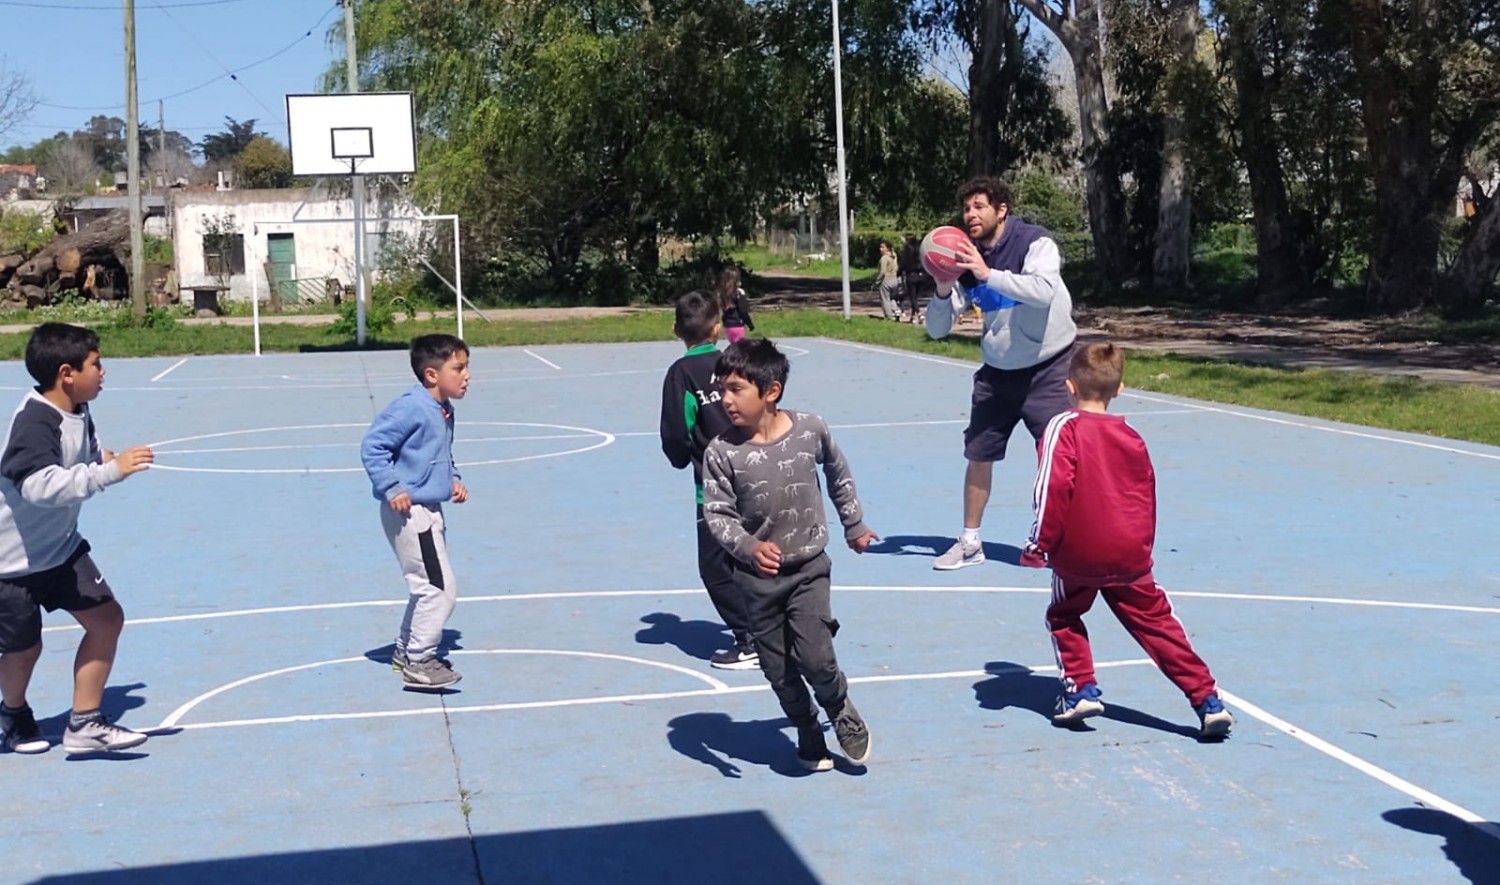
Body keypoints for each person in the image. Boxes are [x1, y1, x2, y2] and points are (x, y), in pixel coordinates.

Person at [1022, 343, 1234, 739]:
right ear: (1119, 390)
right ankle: (1207, 699)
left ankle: (1080, 689)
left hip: (1080, 550)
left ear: (1069, 386)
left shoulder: (1061, 428)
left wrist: (1040, 543)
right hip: (1130, 551)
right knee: (1157, 624)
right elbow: (1145, 492)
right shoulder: (1131, 434)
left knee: (1064, 615)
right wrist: (1141, 548)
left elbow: (1053, 487)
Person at [702, 338, 879, 771]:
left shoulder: (809, 430)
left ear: (771, 391)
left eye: (736, 389)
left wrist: (853, 523)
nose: (725, 399)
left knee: (816, 656)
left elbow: (838, 472)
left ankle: (839, 708)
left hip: (808, 569)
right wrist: (748, 546)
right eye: (722, 388)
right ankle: (806, 726)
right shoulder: (721, 452)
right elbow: (718, 514)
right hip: (756, 581)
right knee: (778, 671)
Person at [0, 323, 154, 755]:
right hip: (11, 562)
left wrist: (102, 460)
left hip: (61, 549)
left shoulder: (79, 410)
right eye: (96, 364)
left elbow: (83, 456)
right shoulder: (35, 420)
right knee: (24, 651)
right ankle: (13, 715)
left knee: (107, 619)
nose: (103, 372)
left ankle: (84, 723)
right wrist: (108, 472)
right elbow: (37, 487)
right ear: (67, 373)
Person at [926, 176, 1077, 570]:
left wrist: (988, 274)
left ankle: (1056, 541)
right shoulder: (962, 259)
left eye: (979, 206)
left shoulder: (1035, 242)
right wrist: (944, 288)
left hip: (1049, 366)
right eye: (966, 208)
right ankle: (970, 542)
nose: (971, 215)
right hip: (998, 372)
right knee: (978, 454)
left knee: (1059, 459)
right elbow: (936, 330)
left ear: (1001, 210)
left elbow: (1044, 289)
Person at [361, 334, 471, 690]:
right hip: (412, 513)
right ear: (431, 375)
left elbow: (441, 454)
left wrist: (453, 479)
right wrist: (392, 487)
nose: (467, 375)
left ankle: (405, 651)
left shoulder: (443, 409)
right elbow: (374, 446)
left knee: (426, 585)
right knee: (439, 588)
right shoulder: (411, 407)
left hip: (430, 508)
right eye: (459, 368)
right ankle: (420, 660)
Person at [658, 290, 758, 670]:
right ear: (718, 328)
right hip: (757, 476)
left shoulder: (681, 374)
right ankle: (776, 629)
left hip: (715, 490)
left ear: (675, 330)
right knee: (754, 558)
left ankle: (751, 639)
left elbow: (676, 430)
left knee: (716, 569)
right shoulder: (736, 365)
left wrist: (681, 457)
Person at [897, 234, 928, 323]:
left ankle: (919, 313)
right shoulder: (920, 249)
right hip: (922, 275)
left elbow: (903, 263)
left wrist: (898, 272)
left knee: (912, 297)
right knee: (916, 297)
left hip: (911, 275)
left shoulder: (907, 250)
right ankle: (913, 316)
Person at [718, 268, 754, 344]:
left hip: (727, 326)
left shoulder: (722, 293)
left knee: (733, 345)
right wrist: (749, 324)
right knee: (740, 348)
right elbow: (743, 311)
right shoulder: (739, 292)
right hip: (738, 325)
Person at [876, 241, 900, 321]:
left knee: (885, 298)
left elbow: (882, 271)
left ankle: (889, 316)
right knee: (892, 298)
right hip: (895, 279)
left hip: (886, 279)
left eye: (883, 247)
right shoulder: (894, 256)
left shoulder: (884, 258)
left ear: (887, 248)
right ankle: (896, 310)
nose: (880, 249)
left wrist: (877, 281)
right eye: (880, 247)